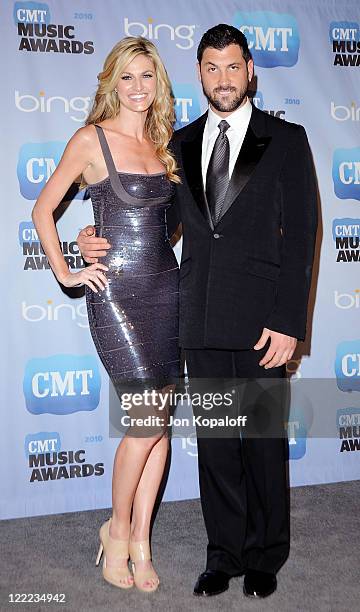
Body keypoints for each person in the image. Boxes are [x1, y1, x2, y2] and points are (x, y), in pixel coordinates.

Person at [77, 24, 318, 599]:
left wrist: (289, 323)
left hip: (264, 322)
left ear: (250, 70)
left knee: (260, 442)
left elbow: (303, 233)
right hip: (198, 318)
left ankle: (265, 555)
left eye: (233, 66)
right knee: (214, 445)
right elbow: (157, 227)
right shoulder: (178, 146)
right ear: (200, 75)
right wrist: (94, 234)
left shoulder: (285, 139)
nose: (223, 78)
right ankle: (224, 554)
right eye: (212, 68)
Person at [31, 36, 181, 593]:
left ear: (157, 83)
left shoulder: (166, 144)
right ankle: (115, 532)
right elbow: (42, 208)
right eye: (127, 77)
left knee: (158, 426)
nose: (137, 88)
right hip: (116, 294)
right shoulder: (90, 140)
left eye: (147, 76)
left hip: (168, 291)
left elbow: (168, 228)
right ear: (111, 82)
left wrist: (106, 232)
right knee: (145, 423)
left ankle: (143, 540)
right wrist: (69, 266)